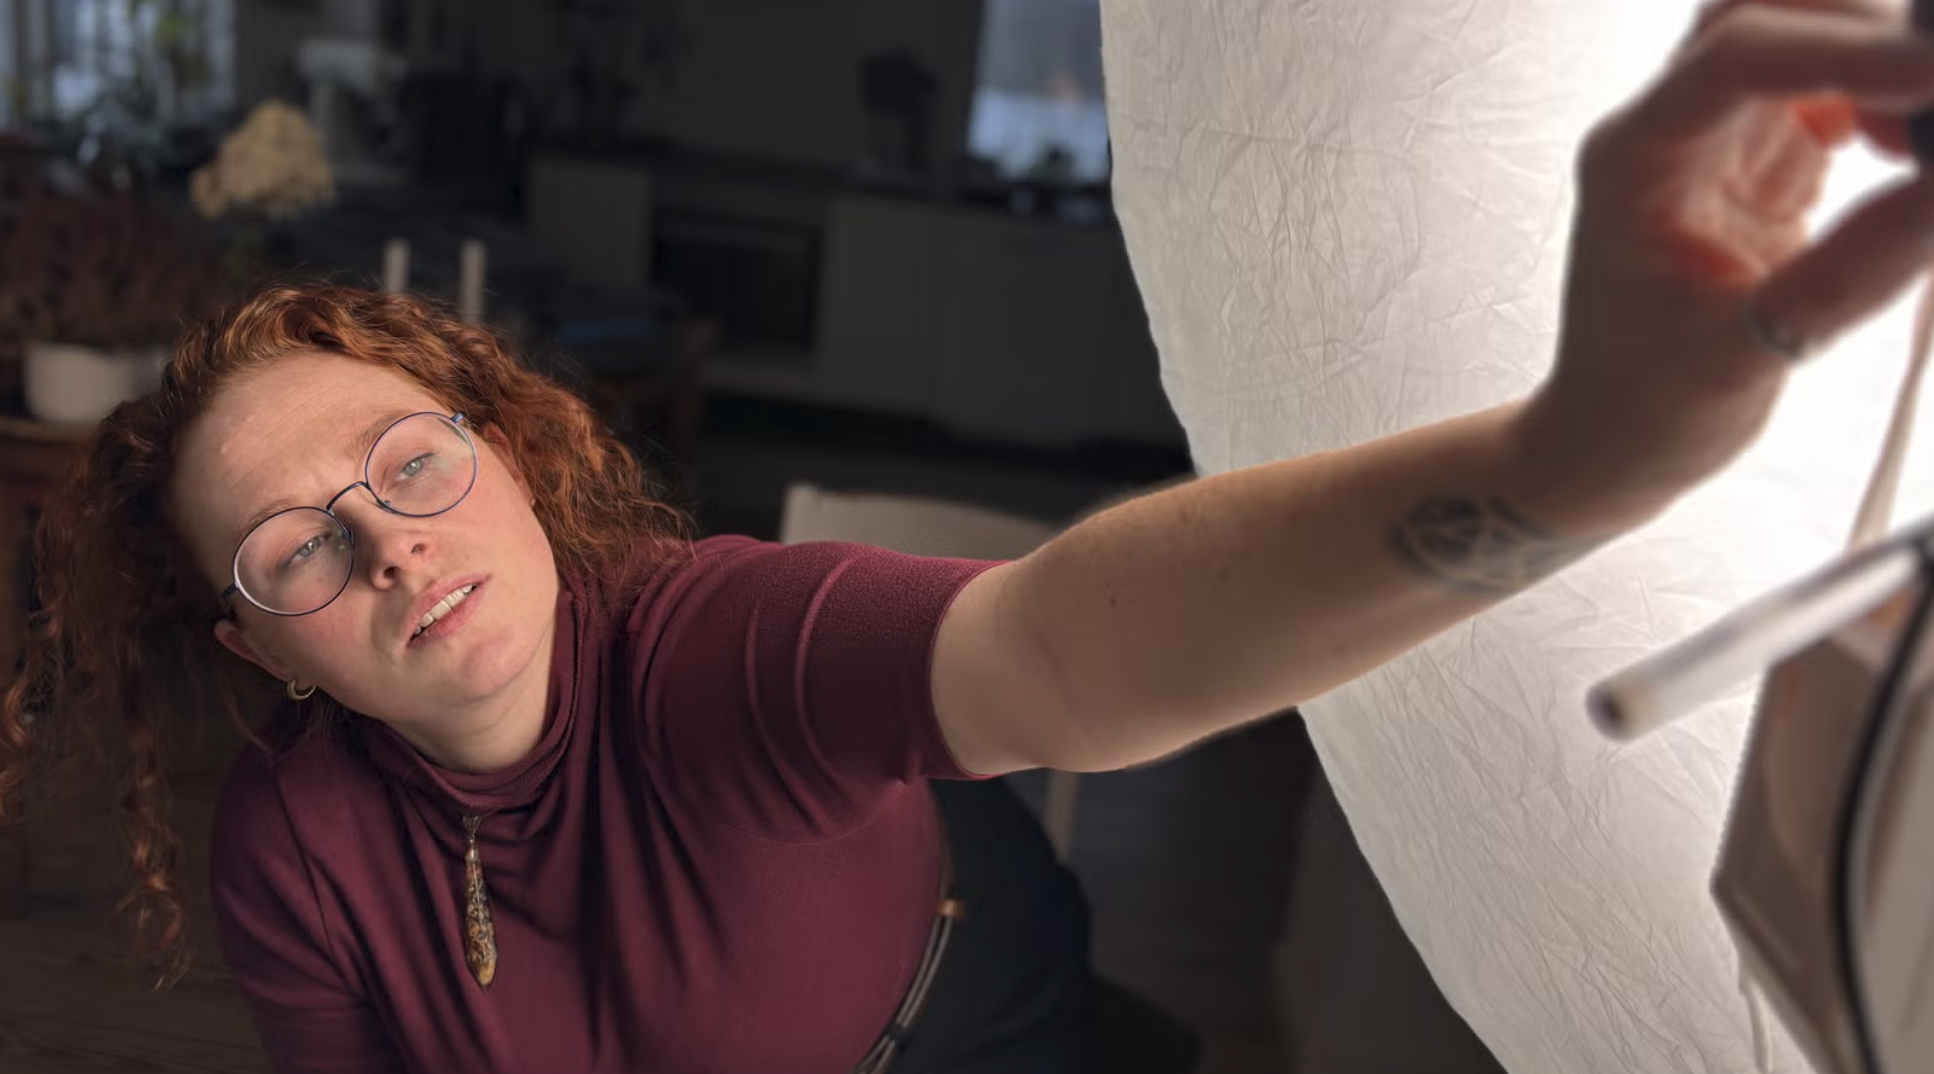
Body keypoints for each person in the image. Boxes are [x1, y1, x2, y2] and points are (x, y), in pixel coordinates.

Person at [5, 0, 1934, 1070]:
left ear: (503, 449)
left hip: (958, 1006)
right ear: (258, 644)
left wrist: (1584, 450)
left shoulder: (699, 648)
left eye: (408, 464)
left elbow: (1060, 657)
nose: (391, 549)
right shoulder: (298, 847)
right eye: (296, 551)